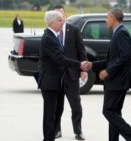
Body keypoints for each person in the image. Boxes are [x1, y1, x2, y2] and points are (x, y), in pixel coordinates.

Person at [83, 8, 131, 141]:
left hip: (118, 80)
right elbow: (112, 59)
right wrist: (93, 65)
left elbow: (124, 57)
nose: (106, 20)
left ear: (114, 18)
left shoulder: (121, 33)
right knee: (114, 113)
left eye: (107, 17)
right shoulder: (117, 33)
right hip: (117, 81)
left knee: (108, 111)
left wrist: (108, 71)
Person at [38, 10, 86, 141]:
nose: (63, 22)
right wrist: (79, 65)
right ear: (52, 22)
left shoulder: (54, 35)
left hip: (58, 81)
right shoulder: (48, 37)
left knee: (57, 111)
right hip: (50, 82)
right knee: (50, 114)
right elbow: (59, 59)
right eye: (60, 20)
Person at [53, 5, 87, 140]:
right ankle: (57, 130)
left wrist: (83, 69)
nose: (59, 17)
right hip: (56, 76)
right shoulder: (51, 32)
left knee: (76, 106)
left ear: (65, 14)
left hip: (71, 75)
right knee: (57, 107)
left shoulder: (74, 30)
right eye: (56, 15)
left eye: (61, 14)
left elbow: (81, 50)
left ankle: (78, 131)